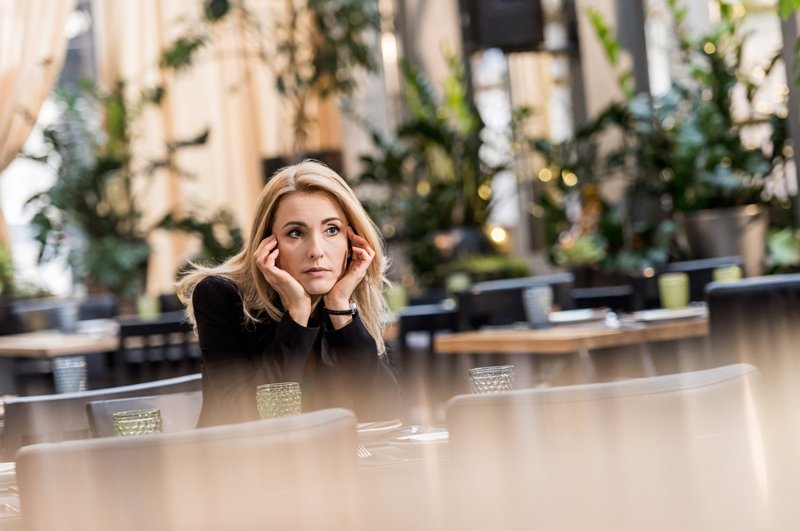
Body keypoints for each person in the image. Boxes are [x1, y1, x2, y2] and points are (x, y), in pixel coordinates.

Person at [179, 160, 402, 427]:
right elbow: (244, 418)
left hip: (329, 462)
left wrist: (340, 307)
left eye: (332, 230)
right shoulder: (221, 296)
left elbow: (387, 415)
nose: (316, 250)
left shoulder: (345, 298)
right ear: (267, 244)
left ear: (350, 241)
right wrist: (297, 315)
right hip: (240, 465)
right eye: (296, 233)